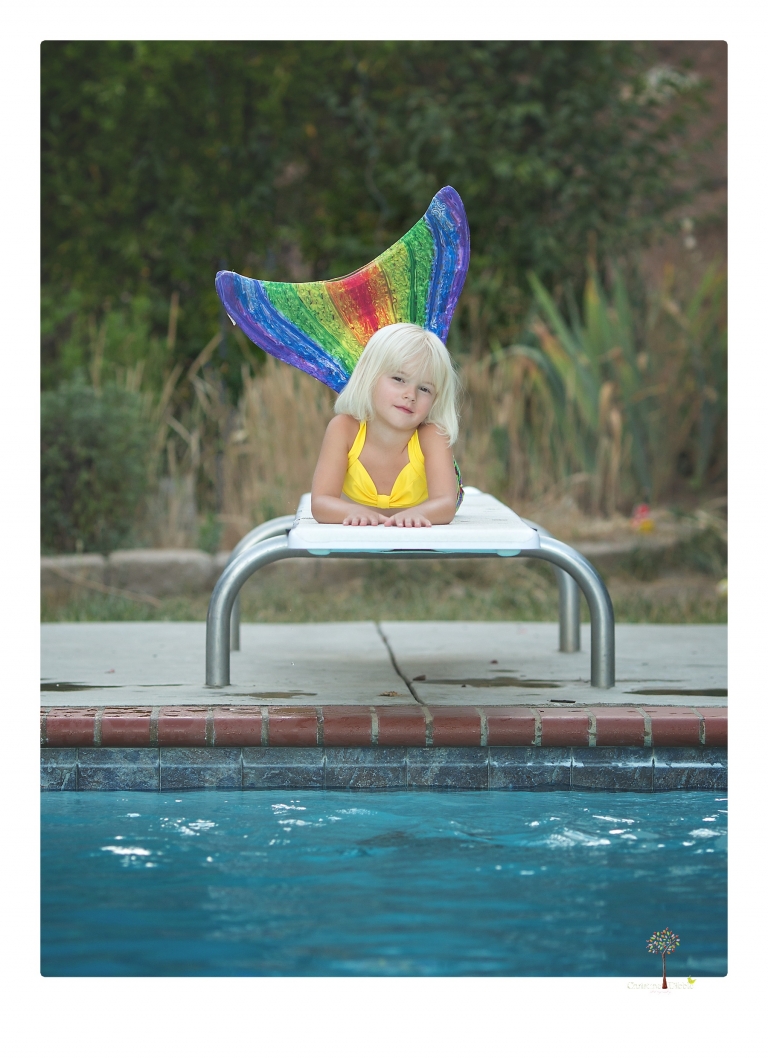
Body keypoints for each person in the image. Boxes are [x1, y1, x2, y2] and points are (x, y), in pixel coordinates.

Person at [311, 322, 463, 527]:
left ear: (436, 398)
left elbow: (446, 505)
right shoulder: (344, 429)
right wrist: (351, 511)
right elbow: (320, 503)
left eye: (424, 389)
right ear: (369, 375)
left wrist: (420, 513)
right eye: (399, 379)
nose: (411, 395)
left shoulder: (432, 436)